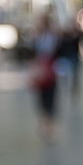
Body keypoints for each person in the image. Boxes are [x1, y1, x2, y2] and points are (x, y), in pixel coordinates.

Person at [30, 13, 61, 141]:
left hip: (51, 70)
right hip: (41, 71)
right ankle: (46, 122)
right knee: (42, 98)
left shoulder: (53, 37)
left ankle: (49, 123)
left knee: (50, 97)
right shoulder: (38, 37)